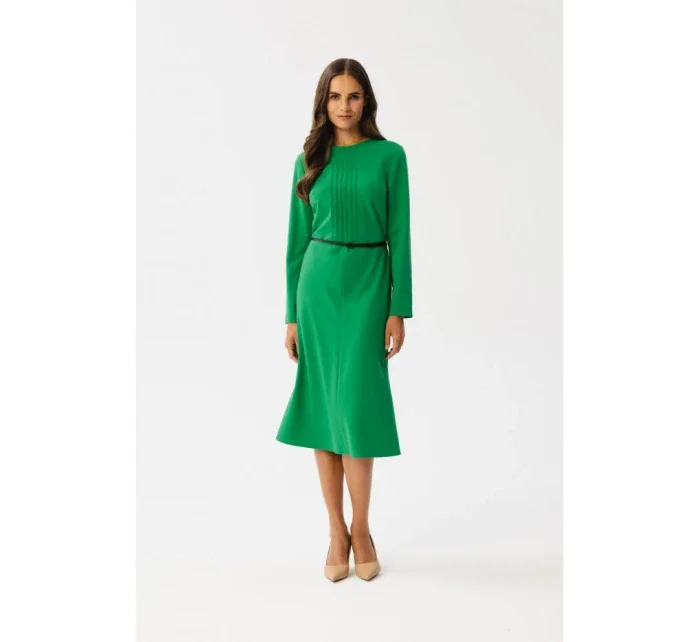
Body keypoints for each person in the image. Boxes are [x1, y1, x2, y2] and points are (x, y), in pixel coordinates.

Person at [276, 58, 413, 582]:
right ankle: (336, 531)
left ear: (367, 101)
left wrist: (398, 307)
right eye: (335, 97)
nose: (345, 106)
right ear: (323, 102)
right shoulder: (308, 159)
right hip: (317, 286)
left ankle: (362, 527)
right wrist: (291, 315)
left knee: (356, 406)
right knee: (322, 408)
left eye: (354, 96)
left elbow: (400, 234)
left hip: (369, 285)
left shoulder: (390, 156)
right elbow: (295, 244)